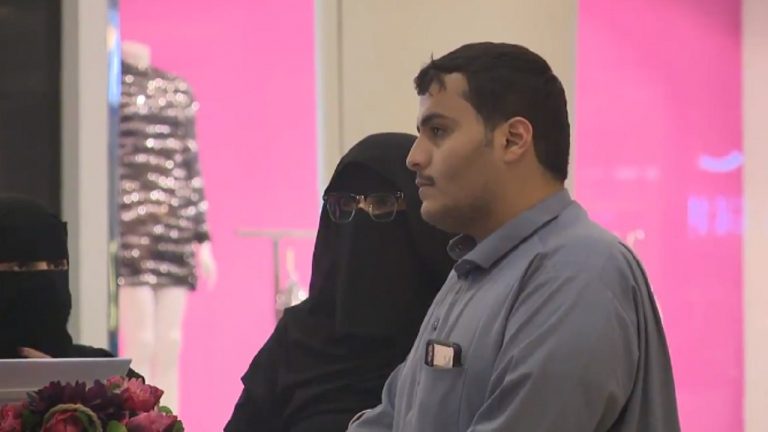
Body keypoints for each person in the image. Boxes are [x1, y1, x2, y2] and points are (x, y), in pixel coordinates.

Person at [348, 42, 680, 431]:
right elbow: (392, 418)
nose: (414, 157)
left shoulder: (579, 272)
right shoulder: (472, 273)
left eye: (438, 131)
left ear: (513, 140)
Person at [224, 133, 455, 432]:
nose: (358, 223)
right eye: (344, 205)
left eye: (382, 203)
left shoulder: (452, 335)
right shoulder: (298, 339)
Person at [0, 195, 142, 380]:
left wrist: (66, 385)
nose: (47, 279)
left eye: (57, 266)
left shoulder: (110, 376)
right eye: (22, 266)